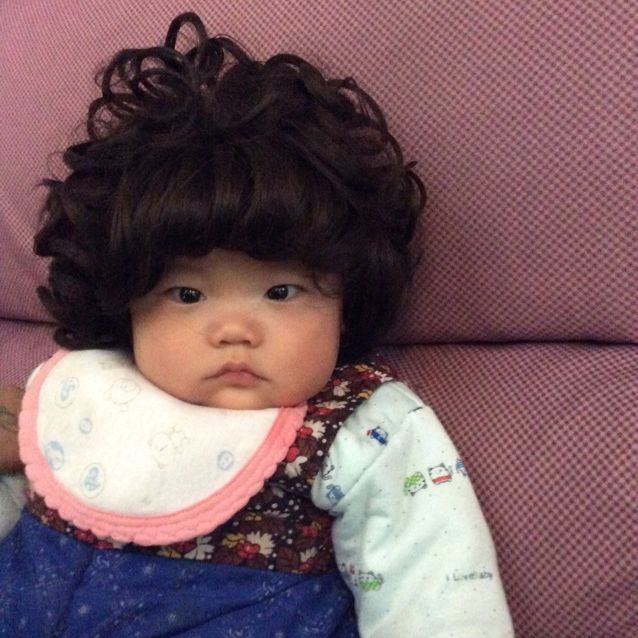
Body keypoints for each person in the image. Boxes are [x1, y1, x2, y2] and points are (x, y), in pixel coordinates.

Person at [0, 12, 513, 637]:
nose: (235, 329)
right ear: (125, 302)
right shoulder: (81, 389)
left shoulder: (362, 427)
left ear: (348, 297)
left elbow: (434, 583)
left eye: (281, 291)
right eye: (187, 294)